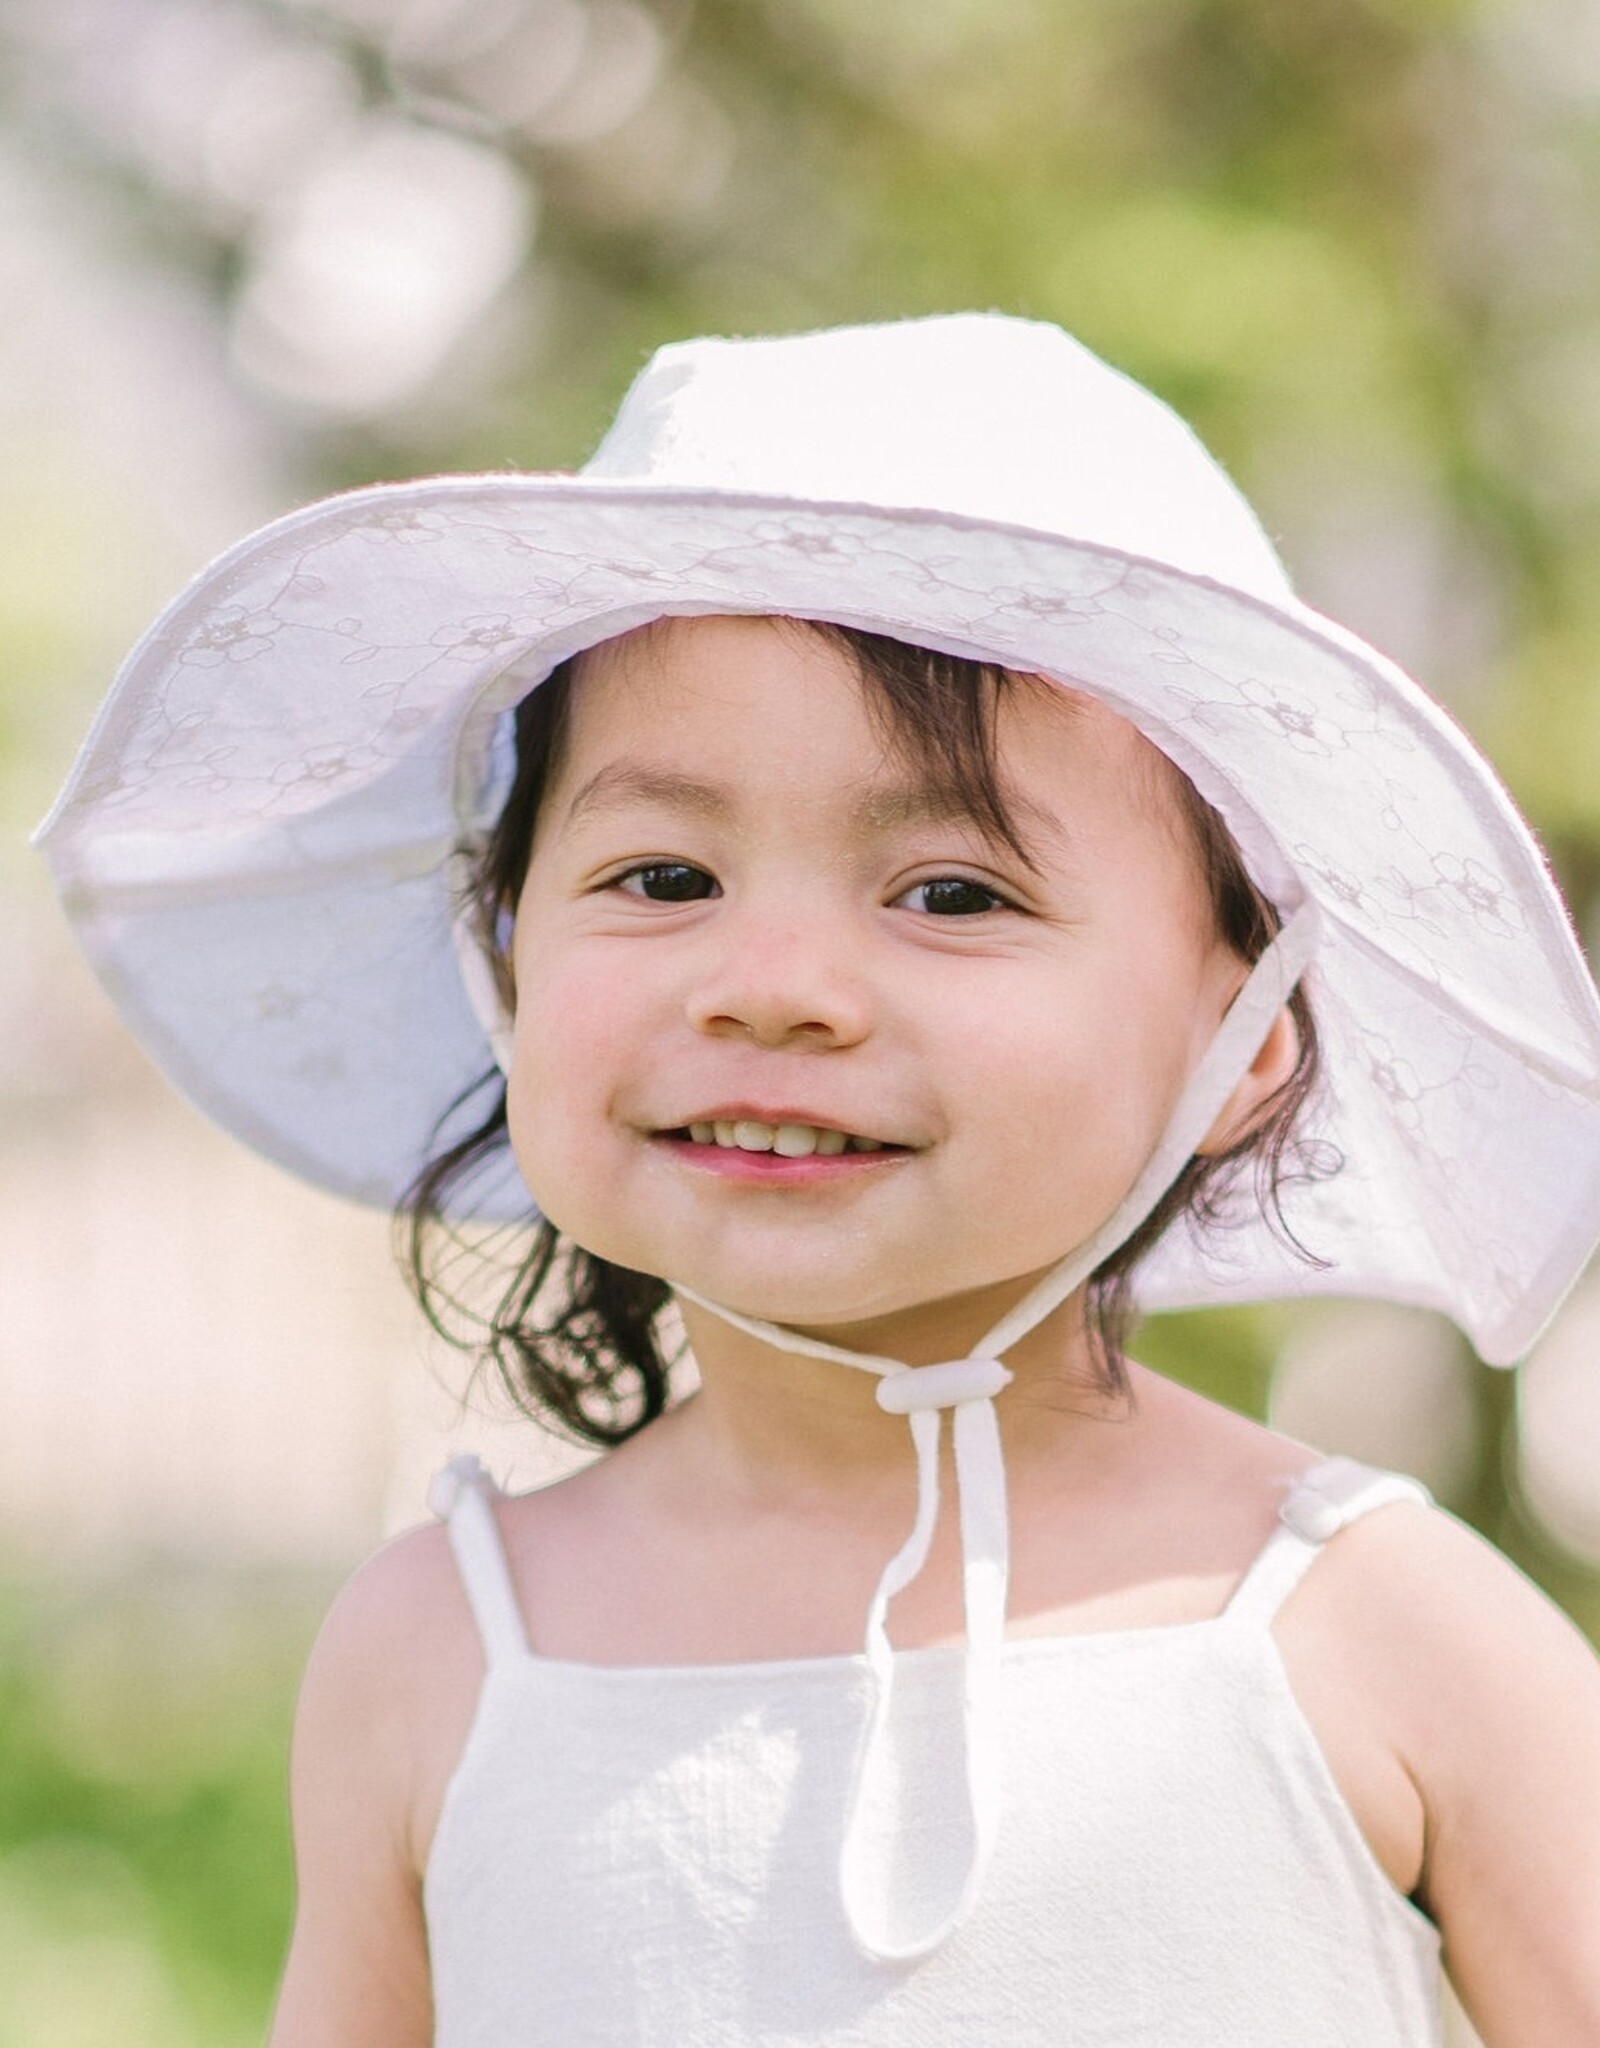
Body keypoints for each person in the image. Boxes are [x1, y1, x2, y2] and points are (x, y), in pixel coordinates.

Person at [37, 314, 1600, 2045]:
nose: (767, 980)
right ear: (501, 951)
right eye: (662, 873)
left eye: (951, 893)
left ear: (1247, 1046)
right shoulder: (446, 1654)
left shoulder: (1380, 1631)